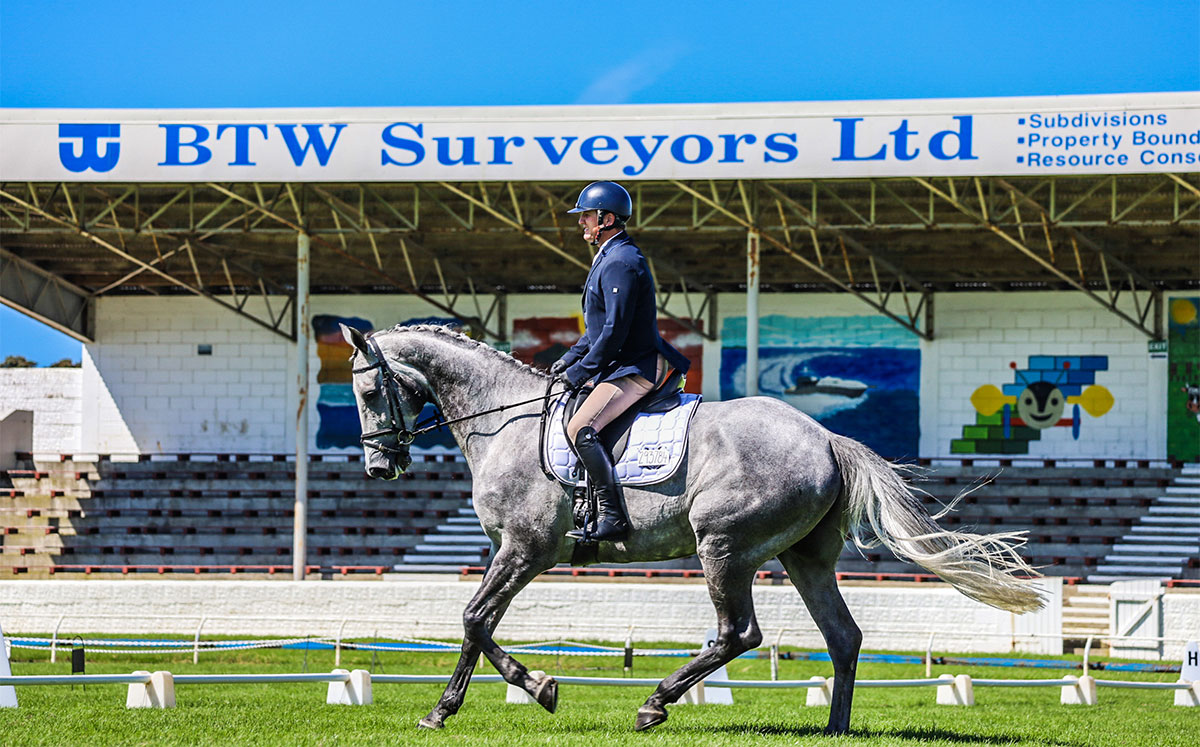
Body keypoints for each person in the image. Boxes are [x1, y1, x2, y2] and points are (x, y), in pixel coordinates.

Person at [550, 181, 691, 542]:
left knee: (579, 427)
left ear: (606, 218)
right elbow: (597, 328)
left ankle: (612, 517)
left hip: (635, 367)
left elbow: (614, 331)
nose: (581, 223)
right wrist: (567, 359)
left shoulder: (623, 261)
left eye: (586, 216)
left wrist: (580, 372)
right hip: (619, 363)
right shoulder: (610, 257)